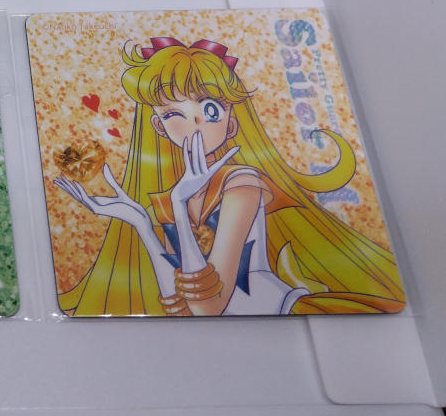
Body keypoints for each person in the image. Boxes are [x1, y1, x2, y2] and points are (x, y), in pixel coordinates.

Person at [54, 38, 405, 316]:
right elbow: (178, 306)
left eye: (209, 109)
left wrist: (179, 206)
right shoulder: (174, 196)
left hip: (279, 315)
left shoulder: (241, 184)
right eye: (174, 113)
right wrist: (141, 223)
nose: (194, 123)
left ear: (231, 122)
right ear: (159, 127)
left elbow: (209, 306)